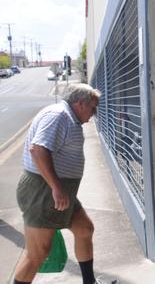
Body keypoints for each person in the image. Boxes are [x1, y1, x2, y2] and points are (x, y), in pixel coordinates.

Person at [13, 84, 109, 284]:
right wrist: (56, 187)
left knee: (84, 229)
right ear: (80, 103)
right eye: (92, 108)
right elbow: (38, 150)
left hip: (57, 191)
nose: (94, 113)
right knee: (37, 253)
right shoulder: (59, 116)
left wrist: (60, 188)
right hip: (44, 192)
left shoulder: (67, 117)